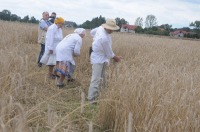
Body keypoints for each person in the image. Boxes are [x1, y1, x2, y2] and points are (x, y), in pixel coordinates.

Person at [87, 19, 122, 104]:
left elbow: (92, 32)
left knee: (102, 78)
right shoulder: (104, 38)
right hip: (98, 58)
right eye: (111, 29)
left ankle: (99, 95)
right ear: (108, 28)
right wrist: (116, 57)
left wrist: (95, 40)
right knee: (96, 79)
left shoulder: (100, 28)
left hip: (101, 56)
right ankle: (91, 99)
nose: (112, 31)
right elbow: (109, 52)